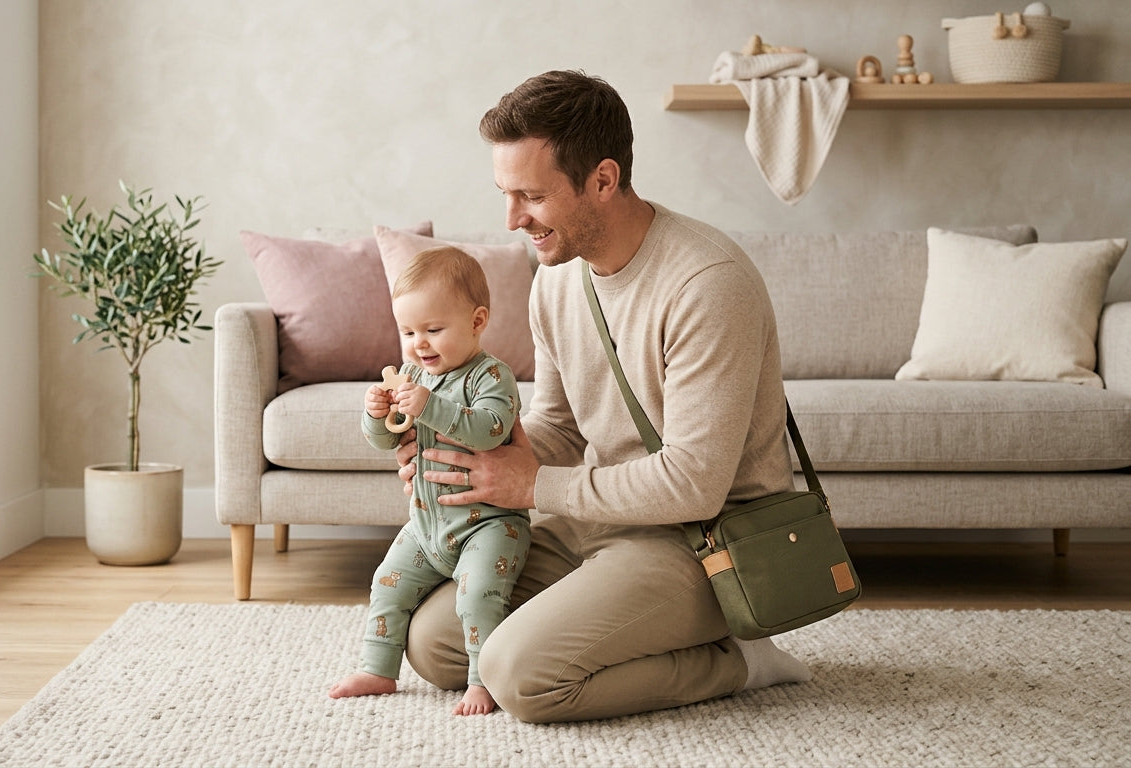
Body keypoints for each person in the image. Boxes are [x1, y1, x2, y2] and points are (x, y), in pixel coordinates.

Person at [396, 70, 812, 723]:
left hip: (702, 541)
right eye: (505, 194)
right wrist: (467, 458)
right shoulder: (555, 282)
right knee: (436, 645)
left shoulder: (706, 283)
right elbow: (558, 430)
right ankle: (615, 632)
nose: (512, 220)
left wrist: (531, 488)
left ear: (603, 180)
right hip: (600, 523)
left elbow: (694, 486)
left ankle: (741, 659)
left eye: (531, 195)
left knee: (518, 676)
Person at [329, 245, 529, 716]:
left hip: (490, 526)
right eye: (409, 331)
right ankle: (377, 668)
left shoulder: (491, 375)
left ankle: (483, 680)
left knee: (479, 595)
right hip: (427, 524)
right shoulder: (414, 376)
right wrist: (377, 417)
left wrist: (429, 406)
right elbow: (387, 441)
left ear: (477, 321)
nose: (420, 343)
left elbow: (490, 429)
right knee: (386, 583)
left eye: (434, 330)